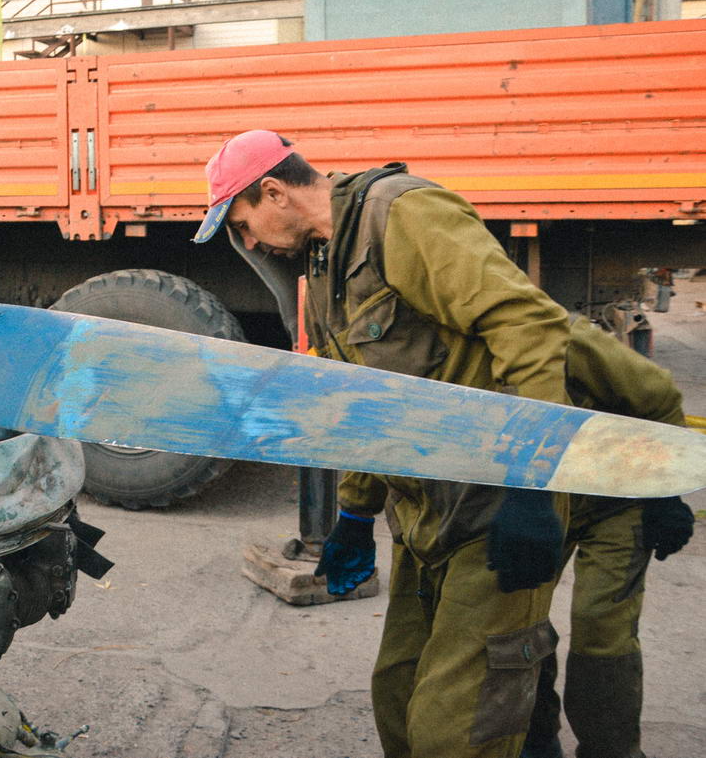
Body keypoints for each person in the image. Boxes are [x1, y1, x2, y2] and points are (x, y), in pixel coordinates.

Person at [196, 129, 571, 758]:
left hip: (492, 502)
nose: (250, 243)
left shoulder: (404, 215)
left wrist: (531, 487)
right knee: (399, 693)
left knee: (454, 728)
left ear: (274, 191)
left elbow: (528, 328)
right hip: (424, 516)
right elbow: (367, 405)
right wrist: (354, 515)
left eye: (244, 224)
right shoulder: (325, 262)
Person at [521, 316, 694, 758]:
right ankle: (535, 741)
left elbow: (658, 394)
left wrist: (666, 492)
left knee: (602, 623)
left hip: (619, 492)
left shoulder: (563, 335)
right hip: (544, 497)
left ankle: (610, 749)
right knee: (517, 619)